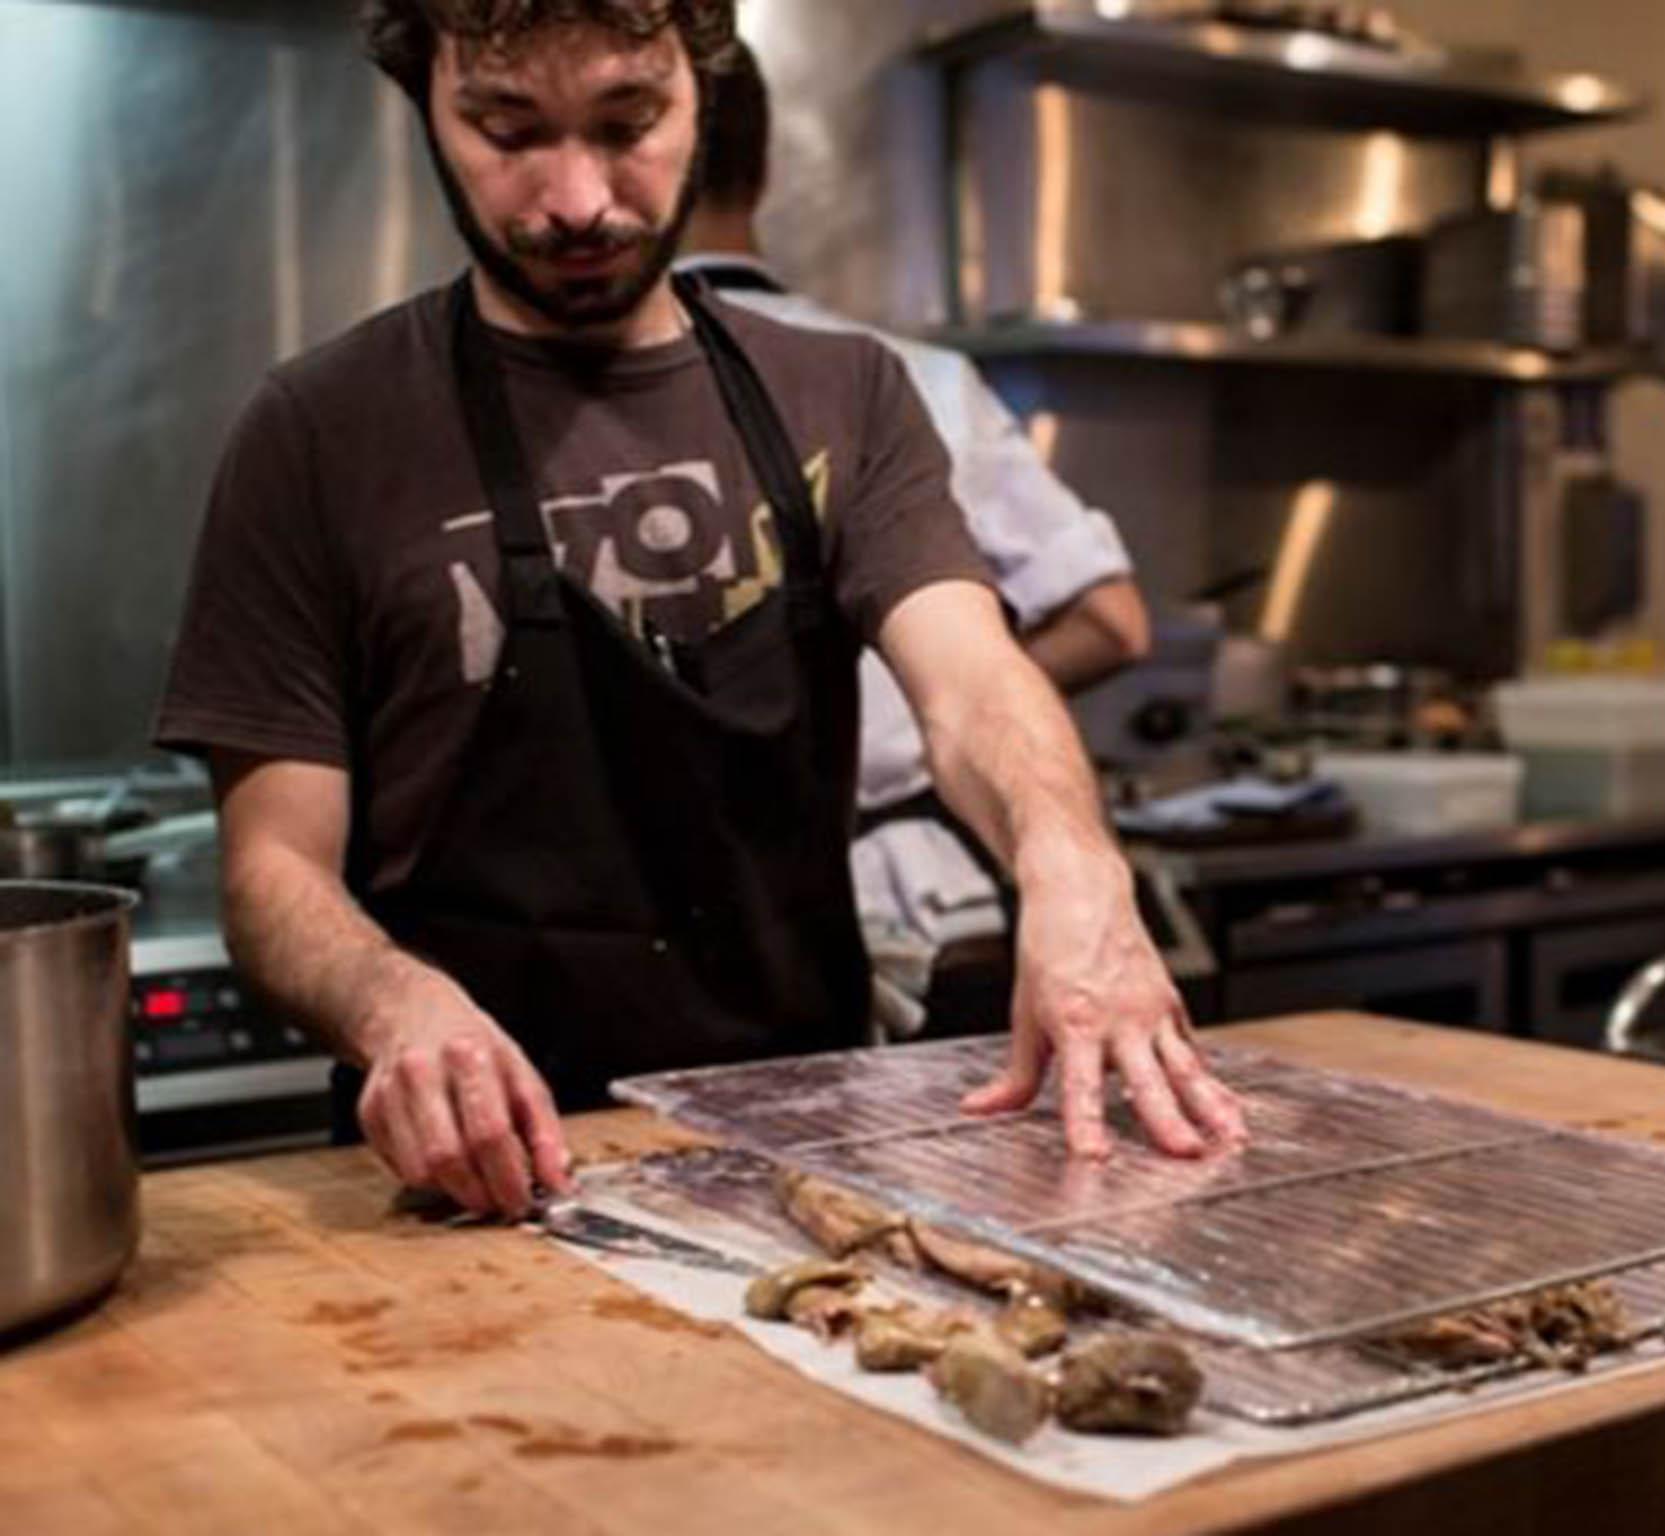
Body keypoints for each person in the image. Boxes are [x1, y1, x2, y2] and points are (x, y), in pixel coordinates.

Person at [155, 0, 1245, 1218]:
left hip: (804, 1166)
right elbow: (270, 868)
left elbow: (973, 680)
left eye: (629, 122)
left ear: (704, 90)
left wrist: (1070, 865)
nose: (576, 198)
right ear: (425, 106)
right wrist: (388, 1003)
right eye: (506, 131)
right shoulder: (318, 433)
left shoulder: (842, 395)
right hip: (470, 1180)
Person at [674, 42, 1151, 1035]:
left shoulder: (582, 406)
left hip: (702, 928)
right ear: (763, 170)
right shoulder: (918, 376)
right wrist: (923, 716)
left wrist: (966, 691)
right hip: (935, 911)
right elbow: (1111, 620)